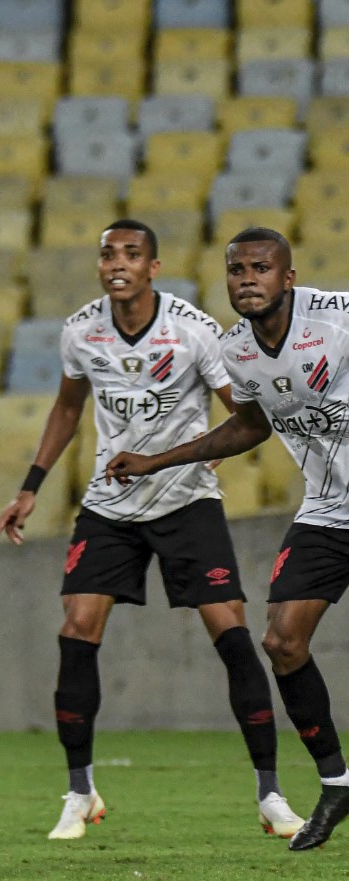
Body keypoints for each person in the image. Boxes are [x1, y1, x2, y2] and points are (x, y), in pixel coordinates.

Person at [0, 219, 300, 840]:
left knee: (232, 632)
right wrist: (30, 486)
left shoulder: (193, 331)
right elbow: (68, 407)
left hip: (186, 502)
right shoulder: (81, 330)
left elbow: (243, 414)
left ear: (154, 266)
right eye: (107, 253)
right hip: (110, 504)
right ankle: (79, 793)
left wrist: (210, 450)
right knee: (76, 628)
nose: (117, 262)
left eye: (131, 253)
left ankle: (271, 794)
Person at [104, 227, 349, 851]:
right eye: (236, 269)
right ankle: (338, 781)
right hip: (329, 510)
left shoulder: (336, 319)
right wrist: (159, 460)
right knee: (282, 642)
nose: (247, 279)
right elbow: (250, 426)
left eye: (261, 268)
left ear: (287, 278)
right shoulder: (236, 350)